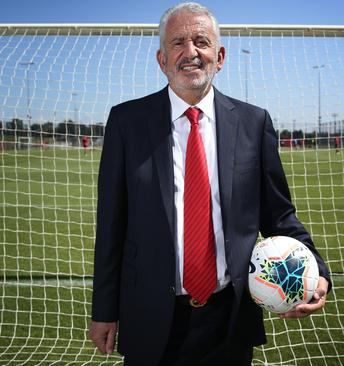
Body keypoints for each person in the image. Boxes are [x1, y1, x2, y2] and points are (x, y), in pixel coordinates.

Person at [89, 3, 331, 365]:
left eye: (201, 42)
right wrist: (104, 310)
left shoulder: (253, 123)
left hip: (230, 320)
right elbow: (111, 225)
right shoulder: (127, 122)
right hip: (150, 314)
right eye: (178, 43)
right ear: (161, 59)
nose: (190, 52)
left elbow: (280, 215)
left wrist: (318, 273)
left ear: (219, 56)